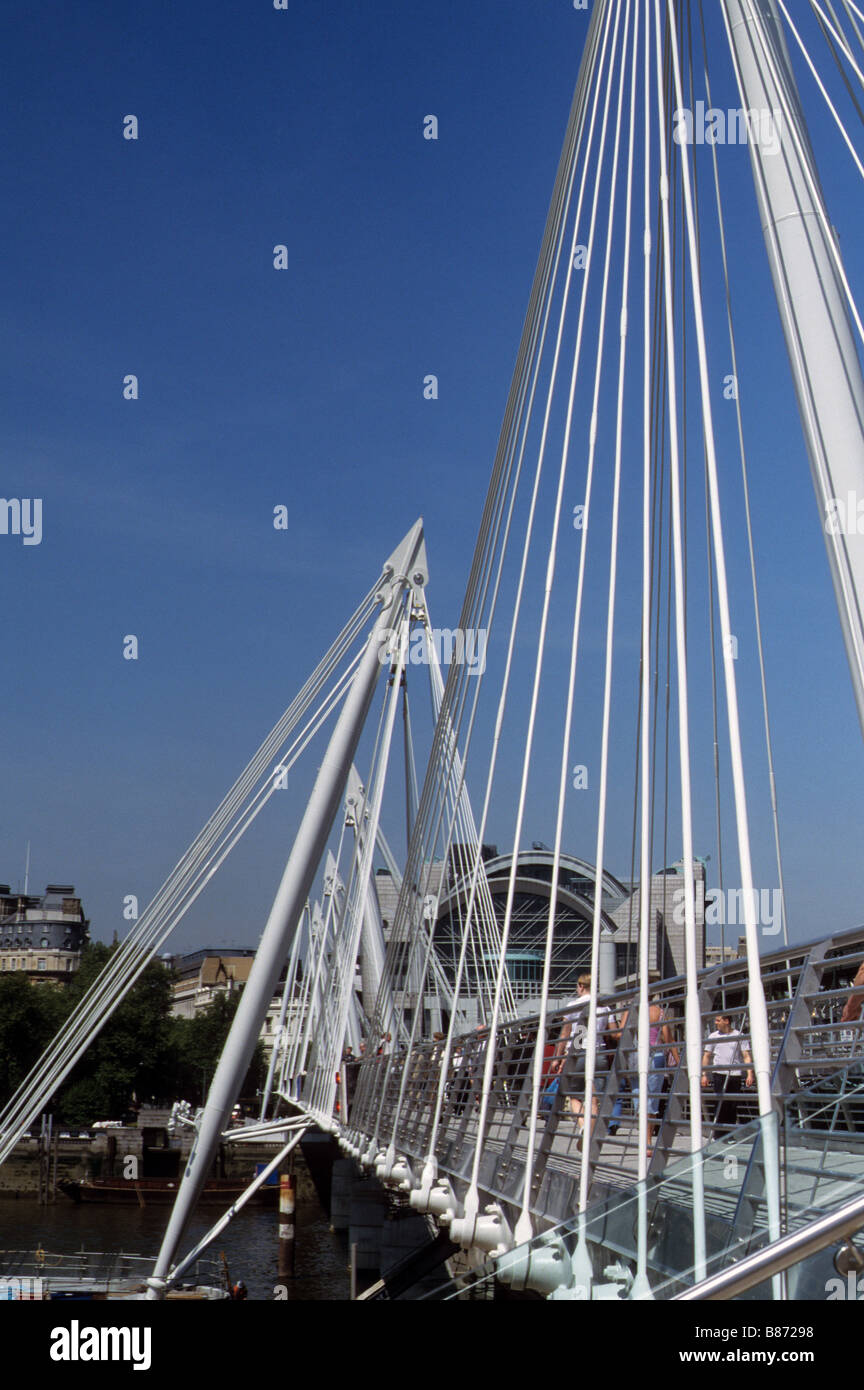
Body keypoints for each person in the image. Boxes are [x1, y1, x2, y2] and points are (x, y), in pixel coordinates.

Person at [552, 973, 614, 1134]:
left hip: (578, 1052)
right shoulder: (604, 1006)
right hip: (599, 1053)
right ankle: (592, 1131)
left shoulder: (573, 1005)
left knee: (573, 1094)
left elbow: (565, 1034)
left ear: (580, 986)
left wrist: (557, 1058)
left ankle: (584, 1126)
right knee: (593, 1098)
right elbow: (614, 1032)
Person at [701, 1013, 754, 1131]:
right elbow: (706, 1056)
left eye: (718, 1020)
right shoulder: (713, 1036)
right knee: (721, 1104)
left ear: (726, 1021)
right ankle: (718, 1132)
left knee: (732, 1104)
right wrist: (704, 1075)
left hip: (735, 1074)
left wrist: (750, 1074)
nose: (716, 1023)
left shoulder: (739, 1035)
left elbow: (746, 1055)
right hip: (719, 1074)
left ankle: (729, 1132)